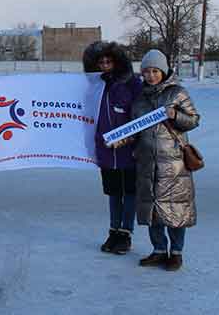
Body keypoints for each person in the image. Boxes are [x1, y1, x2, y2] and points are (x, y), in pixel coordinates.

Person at [130, 49, 200, 271]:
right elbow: (134, 129)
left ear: (163, 70)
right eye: (146, 72)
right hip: (147, 164)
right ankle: (159, 250)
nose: (150, 76)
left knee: (176, 209)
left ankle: (176, 253)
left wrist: (175, 115)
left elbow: (194, 120)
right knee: (153, 210)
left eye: (155, 71)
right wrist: (124, 141)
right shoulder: (140, 98)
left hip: (173, 164)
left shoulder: (177, 93)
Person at [83, 41, 142, 255]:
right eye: (101, 62)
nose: (105, 65)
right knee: (113, 193)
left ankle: (126, 233)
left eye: (109, 61)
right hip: (106, 151)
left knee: (130, 192)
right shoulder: (94, 86)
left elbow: (141, 115)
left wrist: (134, 140)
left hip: (129, 150)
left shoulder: (132, 83)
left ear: (117, 62)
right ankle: (113, 231)